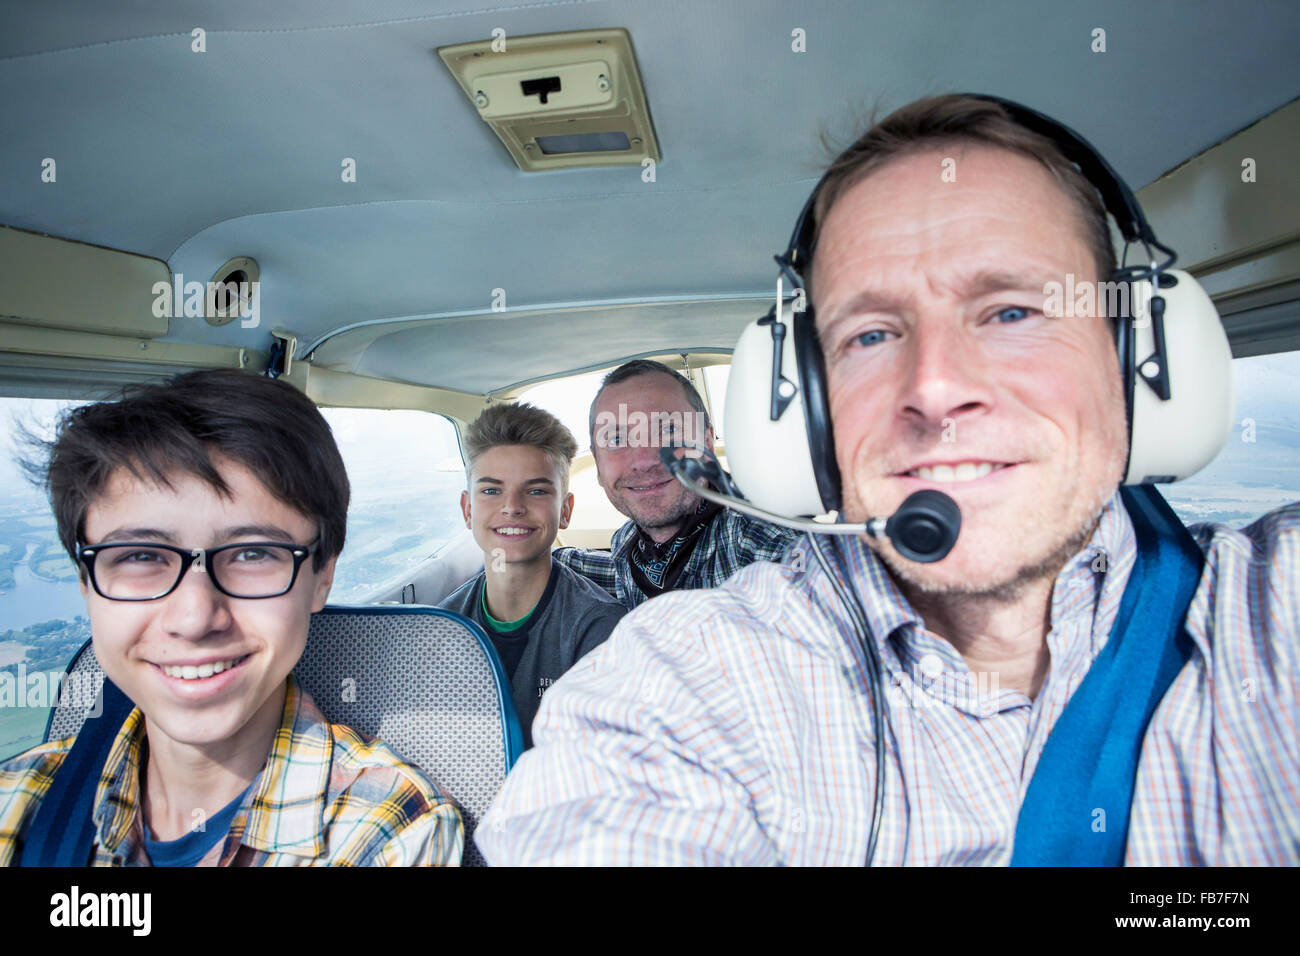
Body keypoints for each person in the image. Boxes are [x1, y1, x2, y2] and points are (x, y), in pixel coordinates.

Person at [476, 94, 1299, 865]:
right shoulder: (683, 671)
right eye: (871, 334)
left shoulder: (1271, 615)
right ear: (810, 411)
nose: (935, 386)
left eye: (1012, 312)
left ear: (1140, 360)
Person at [0, 369, 462, 866]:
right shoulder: (17, 801)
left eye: (252, 554)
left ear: (322, 574)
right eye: (140, 557)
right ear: (86, 583)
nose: (195, 617)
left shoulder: (385, 830)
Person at [439, 402, 626, 748]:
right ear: (468, 510)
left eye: (537, 490)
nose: (512, 506)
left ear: (565, 511)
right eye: (491, 491)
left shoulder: (600, 630)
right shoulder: (442, 626)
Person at [554, 360, 798, 609]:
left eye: (669, 430)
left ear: (707, 444)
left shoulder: (760, 546)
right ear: (598, 463)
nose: (644, 461)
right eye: (617, 438)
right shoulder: (628, 542)